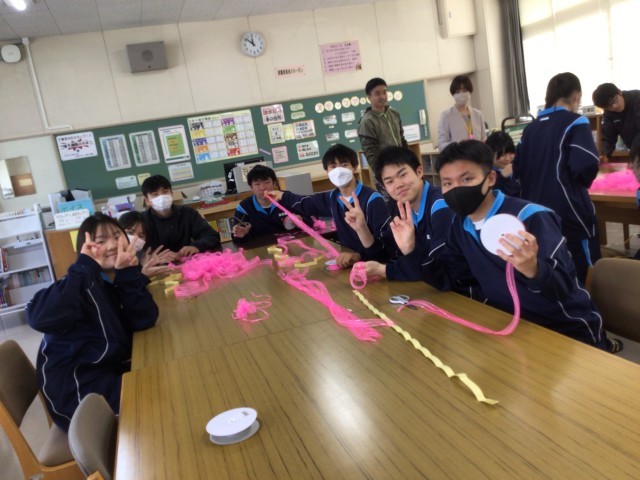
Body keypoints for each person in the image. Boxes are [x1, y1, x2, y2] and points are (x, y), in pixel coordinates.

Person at [425, 140, 621, 352]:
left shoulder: (532, 217)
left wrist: (534, 269)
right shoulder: (459, 224)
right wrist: (410, 251)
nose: (456, 190)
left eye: (466, 179)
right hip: (509, 326)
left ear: (490, 179)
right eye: (447, 183)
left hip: (563, 329)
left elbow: (564, 287)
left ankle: (604, 345)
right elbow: (453, 276)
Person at [27, 214, 159, 431]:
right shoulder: (77, 283)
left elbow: (144, 321)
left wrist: (127, 273)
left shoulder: (110, 281)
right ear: (85, 249)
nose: (112, 245)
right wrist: (84, 266)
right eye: (100, 241)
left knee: (162, 375)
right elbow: (36, 316)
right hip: (79, 395)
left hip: (106, 372)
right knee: (158, 395)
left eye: (117, 236)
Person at [513, 72, 600, 284]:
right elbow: (586, 163)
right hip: (570, 212)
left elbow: (517, 171)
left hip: (536, 213)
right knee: (586, 272)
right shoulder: (576, 122)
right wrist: (579, 185)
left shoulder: (530, 129)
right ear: (577, 96)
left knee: (552, 269)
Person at [269, 144, 394, 268]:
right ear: (327, 171)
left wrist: (358, 255)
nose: (338, 171)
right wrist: (281, 195)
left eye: (344, 165)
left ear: (354, 167)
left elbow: (386, 242)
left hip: (376, 266)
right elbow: (306, 203)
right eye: (333, 167)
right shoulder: (332, 197)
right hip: (349, 264)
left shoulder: (373, 199)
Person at [361, 146, 455, 283]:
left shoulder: (441, 207)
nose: (398, 185)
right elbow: (384, 253)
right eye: (389, 181)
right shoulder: (400, 207)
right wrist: (361, 228)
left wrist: (385, 270)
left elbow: (442, 274)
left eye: (403, 175)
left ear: (419, 172)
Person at [140, 175, 220, 261]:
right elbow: (134, 249)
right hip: (157, 266)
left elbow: (211, 235)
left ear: (171, 194)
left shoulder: (188, 212)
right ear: (147, 200)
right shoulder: (141, 221)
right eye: (155, 195)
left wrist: (197, 246)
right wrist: (154, 257)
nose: (161, 197)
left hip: (187, 262)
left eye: (165, 192)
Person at [357, 77, 409, 199]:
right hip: (385, 175)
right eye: (377, 93)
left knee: (409, 201)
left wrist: (409, 161)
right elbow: (371, 154)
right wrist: (383, 176)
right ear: (369, 97)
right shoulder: (367, 121)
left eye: (384, 92)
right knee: (394, 206)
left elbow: (402, 140)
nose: (382, 96)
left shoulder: (394, 113)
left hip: (401, 168)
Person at [231, 165, 305, 243]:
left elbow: (309, 221)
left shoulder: (286, 197)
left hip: (292, 244)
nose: (263, 188)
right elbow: (237, 238)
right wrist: (242, 235)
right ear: (251, 187)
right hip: (260, 247)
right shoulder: (244, 207)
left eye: (267, 182)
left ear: (274, 183)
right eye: (257, 184)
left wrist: (301, 220)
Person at [592, 82, 640, 161]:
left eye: (614, 101)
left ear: (619, 92)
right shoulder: (608, 114)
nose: (614, 106)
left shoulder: (637, 98)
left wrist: (634, 153)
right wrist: (605, 154)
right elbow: (607, 137)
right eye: (608, 107)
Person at [437, 75, 486, 150]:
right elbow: (441, 145)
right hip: (457, 156)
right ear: (453, 94)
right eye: (458, 92)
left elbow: (483, 139)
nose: (461, 94)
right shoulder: (446, 116)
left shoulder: (478, 114)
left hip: (477, 155)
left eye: (464, 90)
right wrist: (458, 145)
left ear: (470, 92)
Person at [118, 210, 173, 277]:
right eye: (130, 232)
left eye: (141, 236)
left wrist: (144, 266)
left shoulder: (143, 255)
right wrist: (143, 274)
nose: (135, 238)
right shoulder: (111, 258)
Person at [485, 131, 519, 196]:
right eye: (502, 155)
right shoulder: (485, 174)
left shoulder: (516, 166)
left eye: (511, 153)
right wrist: (502, 177)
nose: (507, 159)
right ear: (490, 153)